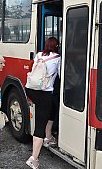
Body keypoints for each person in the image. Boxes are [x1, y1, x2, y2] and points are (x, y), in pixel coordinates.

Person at [25, 37, 61, 169]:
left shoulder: (39, 54)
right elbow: (60, 75)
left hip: (30, 89)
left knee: (51, 109)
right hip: (44, 93)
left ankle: (48, 136)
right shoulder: (57, 58)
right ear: (57, 46)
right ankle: (33, 159)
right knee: (40, 123)